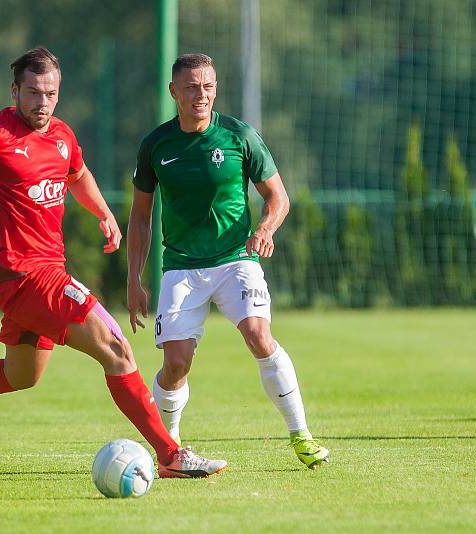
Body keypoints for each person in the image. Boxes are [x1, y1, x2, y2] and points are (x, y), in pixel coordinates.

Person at [0, 47, 226, 479]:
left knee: (20, 374)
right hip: (24, 276)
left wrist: (103, 215)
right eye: (34, 93)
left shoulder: (61, 135)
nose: (43, 103)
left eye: (51, 93)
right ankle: (171, 455)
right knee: (116, 349)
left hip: (43, 273)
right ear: (15, 90)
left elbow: (77, 174)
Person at [126, 53, 330, 469]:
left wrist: (265, 229)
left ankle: (301, 435)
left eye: (208, 86)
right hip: (181, 266)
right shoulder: (156, 145)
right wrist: (134, 279)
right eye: (191, 87)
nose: (201, 94)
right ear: (174, 92)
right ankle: (171, 448)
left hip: (236, 258)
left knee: (258, 335)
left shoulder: (239, 135)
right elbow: (141, 217)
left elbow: (279, 198)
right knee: (176, 363)